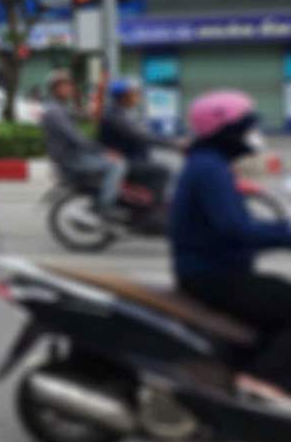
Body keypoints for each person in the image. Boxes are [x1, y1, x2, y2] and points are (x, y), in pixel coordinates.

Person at [169, 90, 291, 405]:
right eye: (247, 127)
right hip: (212, 277)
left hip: (215, 272)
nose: (253, 135)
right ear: (227, 131)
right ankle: (262, 380)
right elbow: (236, 229)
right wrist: (285, 234)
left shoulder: (209, 163)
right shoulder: (209, 169)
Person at [42, 70, 123, 217]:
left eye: (69, 85)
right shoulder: (54, 111)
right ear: (54, 90)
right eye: (63, 86)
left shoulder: (62, 107)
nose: (68, 89)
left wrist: (99, 97)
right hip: (70, 159)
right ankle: (104, 207)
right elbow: (75, 138)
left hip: (74, 155)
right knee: (117, 164)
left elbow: (87, 116)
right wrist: (103, 151)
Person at [99, 77, 179, 203]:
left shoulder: (123, 112)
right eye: (134, 93)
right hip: (126, 160)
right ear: (123, 96)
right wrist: (174, 144)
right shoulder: (115, 115)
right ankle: (154, 210)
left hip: (134, 157)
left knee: (164, 162)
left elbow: (143, 132)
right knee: (164, 171)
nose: (138, 96)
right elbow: (140, 135)